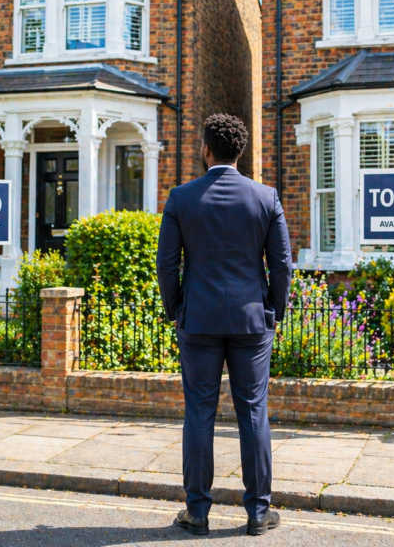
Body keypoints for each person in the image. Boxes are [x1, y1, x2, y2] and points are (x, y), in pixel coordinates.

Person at [156, 113, 293, 537]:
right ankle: (257, 512)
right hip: (252, 321)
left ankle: (197, 512)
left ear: (206, 149)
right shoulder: (265, 197)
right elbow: (283, 264)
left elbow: (166, 263)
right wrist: (274, 309)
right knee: (254, 412)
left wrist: (177, 307)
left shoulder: (181, 198)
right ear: (241, 152)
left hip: (198, 320)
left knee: (199, 412)